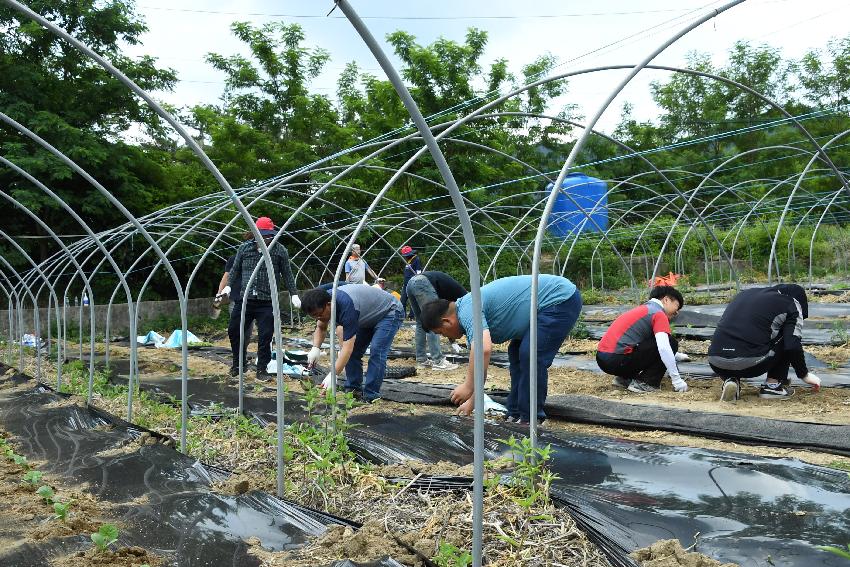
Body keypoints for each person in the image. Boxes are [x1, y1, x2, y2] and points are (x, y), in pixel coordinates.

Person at [421, 274, 582, 424]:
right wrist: (473, 402)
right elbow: (480, 362)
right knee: (517, 353)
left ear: (447, 321)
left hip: (559, 299)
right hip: (542, 307)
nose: (444, 336)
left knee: (530, 355)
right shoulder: (466, 310)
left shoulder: (467, 310)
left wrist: (468, 386)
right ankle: (515, 413)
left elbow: (483, 349)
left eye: (440, 332)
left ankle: (531, 420)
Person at [708, 284, 821, 401]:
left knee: (741, 337)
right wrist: (804, 375)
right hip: (751, 365)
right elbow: (792, 346)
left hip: (716, 361)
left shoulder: (743, 294)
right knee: (788, 336)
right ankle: (773, 386)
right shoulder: (792, 302)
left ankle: (731, 380)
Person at [225, 217, 300, 381]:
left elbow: (287, 274)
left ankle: (262, 369)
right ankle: (238, 364)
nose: (266, 239)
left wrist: (293, 293)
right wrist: (228, 286)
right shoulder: (244, 248)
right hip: (245, 300)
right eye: (262, 235)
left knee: (265, 335)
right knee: (234, 330)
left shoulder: (280, 250)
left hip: (267, 302)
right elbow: (235, 269)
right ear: (255, 234)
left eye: (269, 235)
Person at [301, 284, 404, 402]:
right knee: (355, 352)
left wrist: (333, 375)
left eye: (319, 314)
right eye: (314, 316)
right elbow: (321, 328)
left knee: (377, 350)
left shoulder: (346, 307)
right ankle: (353, 390)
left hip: (389, 312)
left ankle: (371, 395)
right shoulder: (322, 303)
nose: (318, 318)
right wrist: (315, 348)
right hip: (367, 316)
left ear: (329, 305)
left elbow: (347, 348)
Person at [595, 286, 689, 394]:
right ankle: (645, 383)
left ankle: (624, 379)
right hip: (617, 360)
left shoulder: (645, 309)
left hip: (603, 359)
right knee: (671, 342)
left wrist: (675, 355)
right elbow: (663, 347)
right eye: (677, 306)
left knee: (663, 344)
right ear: (666, 300)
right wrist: (677, 380)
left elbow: (649, 344)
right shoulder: (658, 313)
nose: (677, 312)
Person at [406, 271, 466, 371]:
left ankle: (421, 360)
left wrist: (453, 341)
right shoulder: (465, 300)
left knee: (421, 323)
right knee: (434, 321)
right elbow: (454, 321)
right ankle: (438, 361)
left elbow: (450, 320)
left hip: (411, 283)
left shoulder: (456, 294)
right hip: (422, 283)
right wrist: (454, 340)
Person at [398, 245, 422, 318]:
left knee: (413, 300)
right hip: (406, 284)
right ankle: (402, 316)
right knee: (403, 300)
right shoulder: (408, 261)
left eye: (406, 255)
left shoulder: (416, 259)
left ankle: (412, 316)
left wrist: (417, 282)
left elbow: (419, 272)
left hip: (413, 283)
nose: (405, 256)